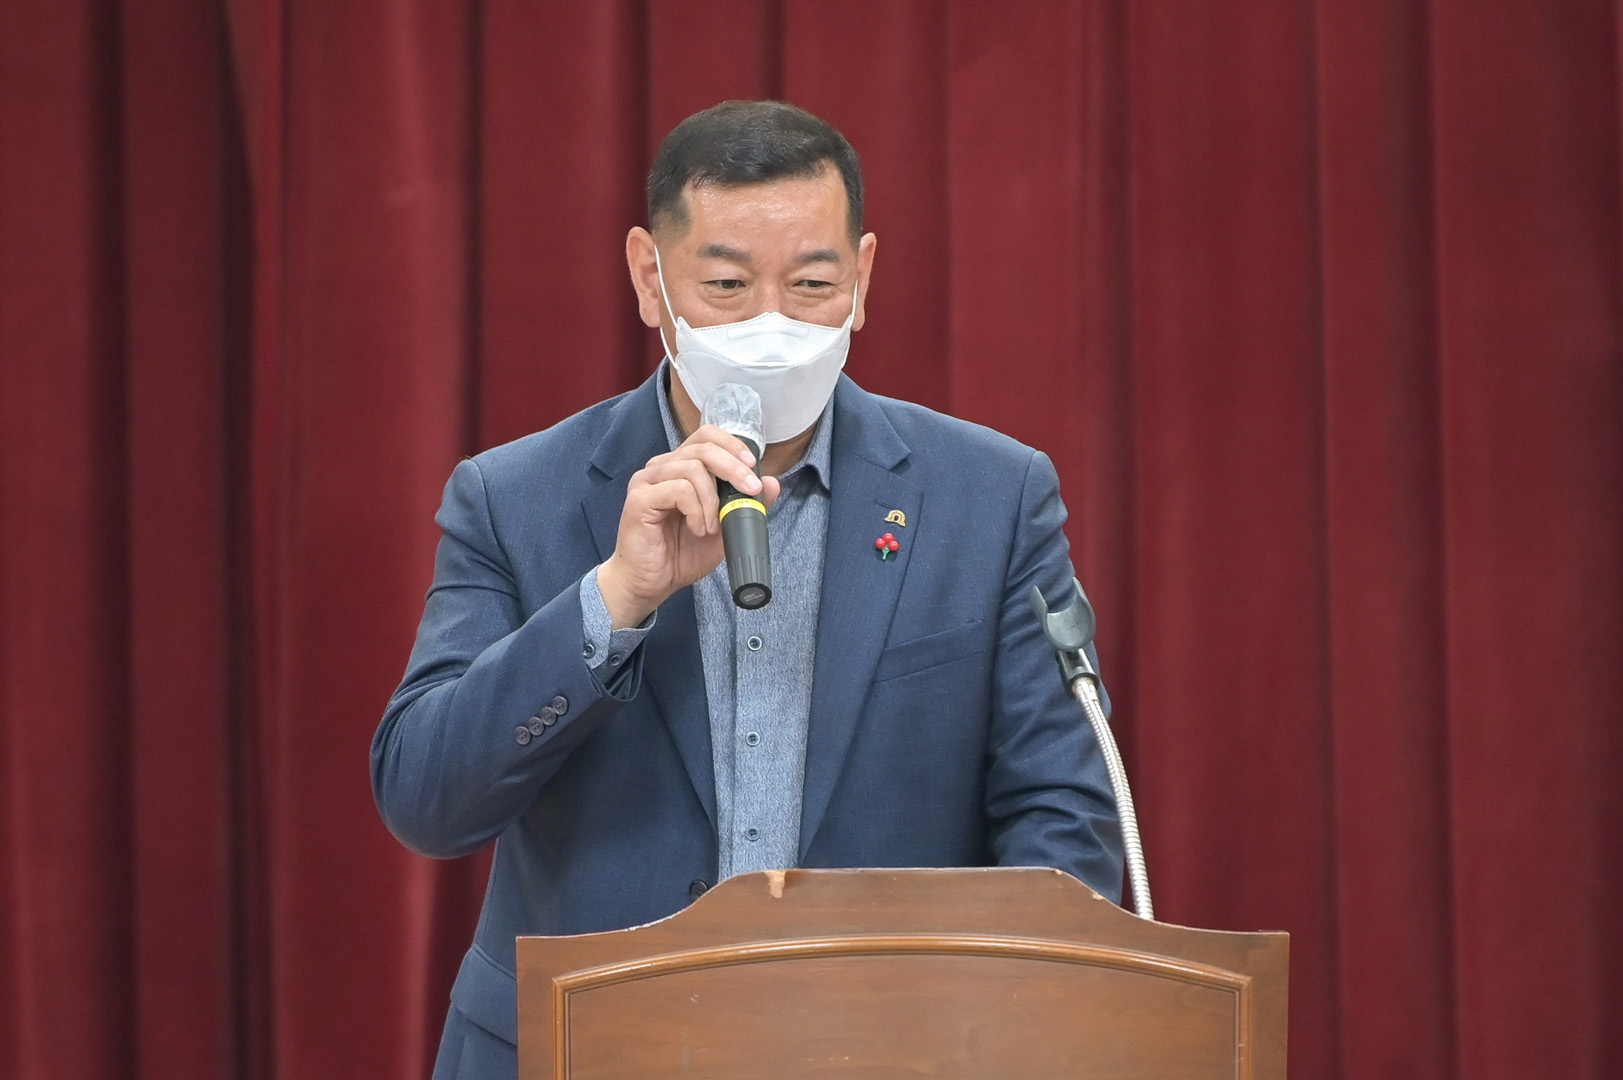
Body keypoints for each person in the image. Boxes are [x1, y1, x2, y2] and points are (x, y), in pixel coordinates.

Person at [372, 100, 1123, 1080]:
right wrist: (614, 599)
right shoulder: (516, 497)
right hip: (581, 1050)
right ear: (651, 277)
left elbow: (1061, 823)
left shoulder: (990, 496)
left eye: (811, 284)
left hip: (889, 1053)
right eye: (726, 284)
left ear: (862, 280)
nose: (772, 323)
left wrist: (984, 1029)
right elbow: (426, 801)